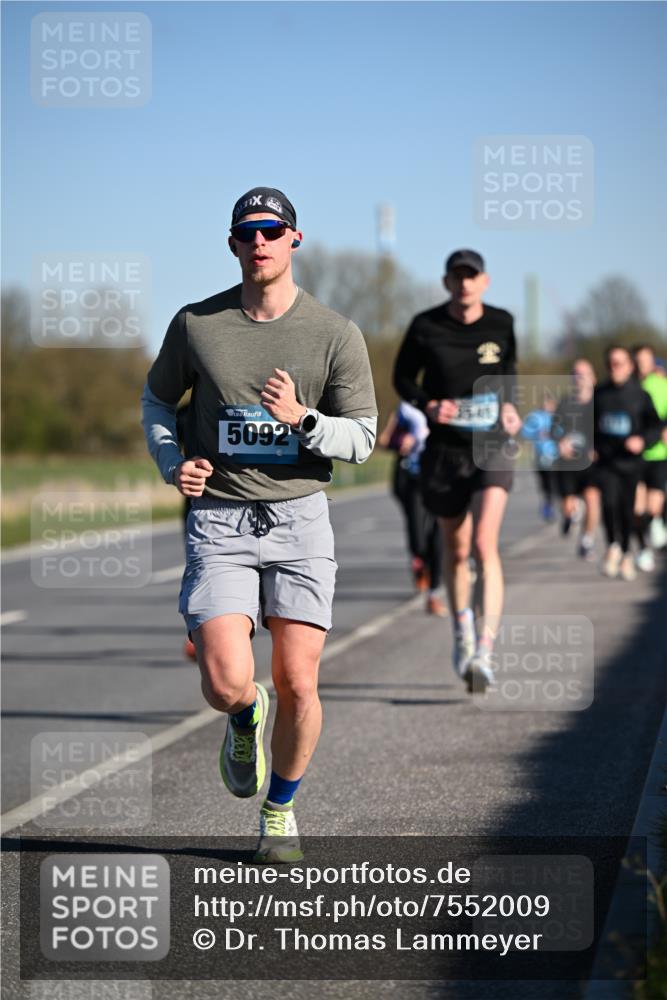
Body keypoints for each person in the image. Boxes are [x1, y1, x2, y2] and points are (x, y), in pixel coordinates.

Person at [141, 186, 377, 862]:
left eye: (272, 229)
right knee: (222, 682)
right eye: (248, 232)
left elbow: (362, 438)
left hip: (300, 519)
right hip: (219, 518)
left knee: (300, 682)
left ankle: (279, 808)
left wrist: (302, 419)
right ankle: (245, 713)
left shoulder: (335, 334)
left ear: (294, 239)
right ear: (232, 244)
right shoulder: (197, 325)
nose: (260, 241)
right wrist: (170, 460)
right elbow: (156, 401)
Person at [394, 249, 521, 693]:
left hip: (491, 446)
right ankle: (462, 631)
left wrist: (510, 410)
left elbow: (508, 374)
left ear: (484, 281)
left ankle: (484, 650)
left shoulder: (502, 323)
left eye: (472, 276)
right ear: (447, 282)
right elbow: (402, 379)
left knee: (485, 543)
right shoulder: (426, 325)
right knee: (456, 544)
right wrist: (429, 404)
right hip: (446, 451)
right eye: (457, 277)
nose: (465, 284)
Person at [593, 346, 661, 581]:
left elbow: (655, 427)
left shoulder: (640, 395)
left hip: (632, 464)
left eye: (620, 363)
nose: (615, 368)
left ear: (630, 366)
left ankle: (627, 553)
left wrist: (642, 440)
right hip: (607, 462)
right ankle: (614, 545)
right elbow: (588, 425)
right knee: (609, 505)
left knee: (629, 510)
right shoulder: (600, 393)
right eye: (611, 363)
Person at [378, 402, 446, 616]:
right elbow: (384, 441)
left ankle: (433, 594)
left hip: (440, 478)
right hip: (413, 479)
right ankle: (419, 562)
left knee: (438, 536)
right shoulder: (406, 410)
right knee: (418, 536)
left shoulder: (449, 402)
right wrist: (401, 440)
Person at [551, 358, 600, 561]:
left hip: (592, 463)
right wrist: (560, 442)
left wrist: (598, 448)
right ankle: (571, 515)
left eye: (583, 373)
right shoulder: (564, 403)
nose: (579, 377)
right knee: (568, 505)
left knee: (592, 499)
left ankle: (587, 540)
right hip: (569, 462)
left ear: (593, 377)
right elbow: (553, 429)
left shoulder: (600, 403)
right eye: (575, 373)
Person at [632, 344, 667, 566]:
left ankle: (655, 523)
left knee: (653, 505)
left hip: (658, 453)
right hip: (633, 456)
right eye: (637, 360)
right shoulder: (629, 387)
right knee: (637, 508)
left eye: (645, 359)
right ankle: (643, 548)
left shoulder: (662, 385)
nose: (641, 364)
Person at [520, 391, 558, 523]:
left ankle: (564, 506)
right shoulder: (535, 417)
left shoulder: (558, 417)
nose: (547, 406)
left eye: (550, 403)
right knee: (545, 484)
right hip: (540, 456)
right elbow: (525, 431)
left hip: (556, 457)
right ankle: (548, 504)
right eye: (545, 403)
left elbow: (564, 432)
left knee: (556, 483)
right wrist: (537, 433)